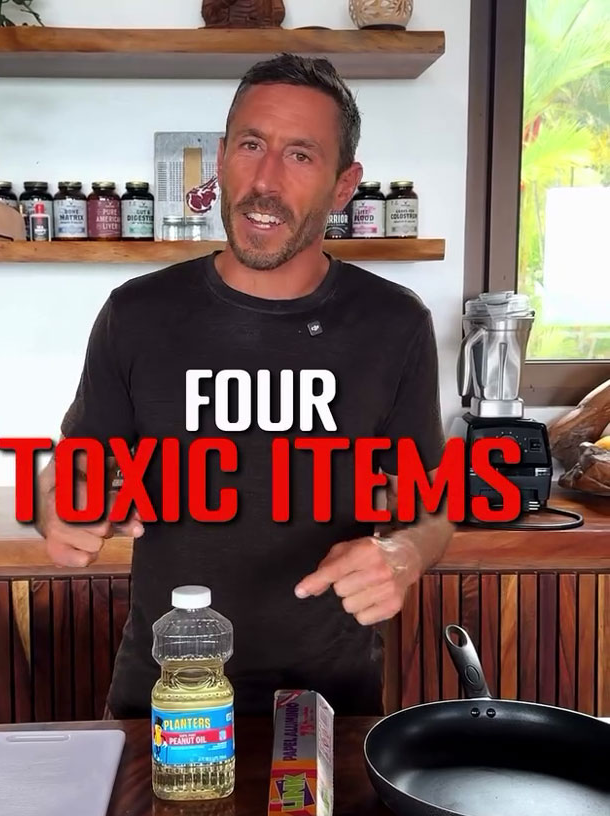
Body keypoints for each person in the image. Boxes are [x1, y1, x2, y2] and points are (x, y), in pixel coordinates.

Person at [35, 53, 454, 718]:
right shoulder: (137, 313)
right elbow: (73, 467)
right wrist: (57, 503)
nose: (264, 181)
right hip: (164, 693)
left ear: (344, 186)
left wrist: (405, 551)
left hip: (329, 699)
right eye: (251, 146)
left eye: (300, 155)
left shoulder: (394, 323)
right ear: (222, 158)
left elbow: (430, 498)